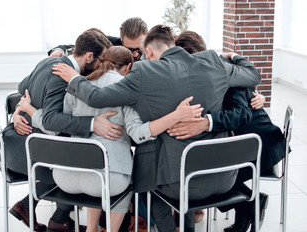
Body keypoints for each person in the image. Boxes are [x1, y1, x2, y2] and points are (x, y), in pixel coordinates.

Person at [51, 25, 262, 232]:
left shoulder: (144, 71)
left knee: (143, 177)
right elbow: (253, 76)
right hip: (224, 176)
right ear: (173, 43)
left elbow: (96, 98)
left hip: (179, 183)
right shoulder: (214, 61)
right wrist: (233, 56)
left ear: (148, 52)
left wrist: (74, 78)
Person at [19, 45, 204, 232]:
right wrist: (175, 116)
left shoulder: (76, 85)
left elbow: (53, 128)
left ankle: (92, 229)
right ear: (129, 67)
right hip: (106, 181)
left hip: (65, 177)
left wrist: (27, 109)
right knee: (126, 176)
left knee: (96, 166)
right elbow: (138, 134)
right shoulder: (126, 90)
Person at [171, 30, 287, 232]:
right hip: (246, 140)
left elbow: (241, 114)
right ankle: (247, 207)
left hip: (261, 145)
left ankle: (249, 203)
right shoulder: (211, 68)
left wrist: (206, 122)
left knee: (205, 175)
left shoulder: (223, 72)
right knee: (204, 168)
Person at [3, 30, 118, 232]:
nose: (103, 66)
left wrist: (25, 106)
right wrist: (92, 123)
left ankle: (49, 214)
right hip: (30, 155)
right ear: (89, 56)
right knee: (84, 166)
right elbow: (50, 120)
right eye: (102, 60)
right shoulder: (61, 75)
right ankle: (61, 219)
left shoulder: (47, 62)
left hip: (15, 147)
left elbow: (23, 86)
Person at [48, 17, 148, 61]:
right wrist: (58, 50)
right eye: (130, 50)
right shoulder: (111, 44)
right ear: (121, 39)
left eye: (139, 50)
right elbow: (81, 46)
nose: (135, 55)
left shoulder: (156, 50)